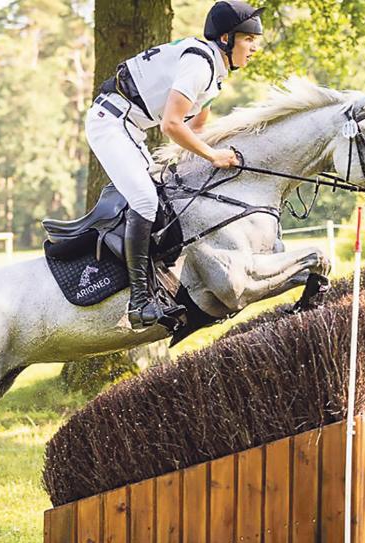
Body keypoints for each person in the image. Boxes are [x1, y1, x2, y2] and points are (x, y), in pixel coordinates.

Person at [86, 0, 264, 329]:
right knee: (145, 200)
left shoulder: (214, 73)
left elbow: (196, 130)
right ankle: (139, 303)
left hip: (128, 127)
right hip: (111, 121)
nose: (255, 47)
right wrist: (213, 156)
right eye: (249, 39)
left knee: (165, 200)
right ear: (226, 38)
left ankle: (162, 288)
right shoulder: (200, 64)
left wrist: (236, 150)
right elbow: (171, 124)